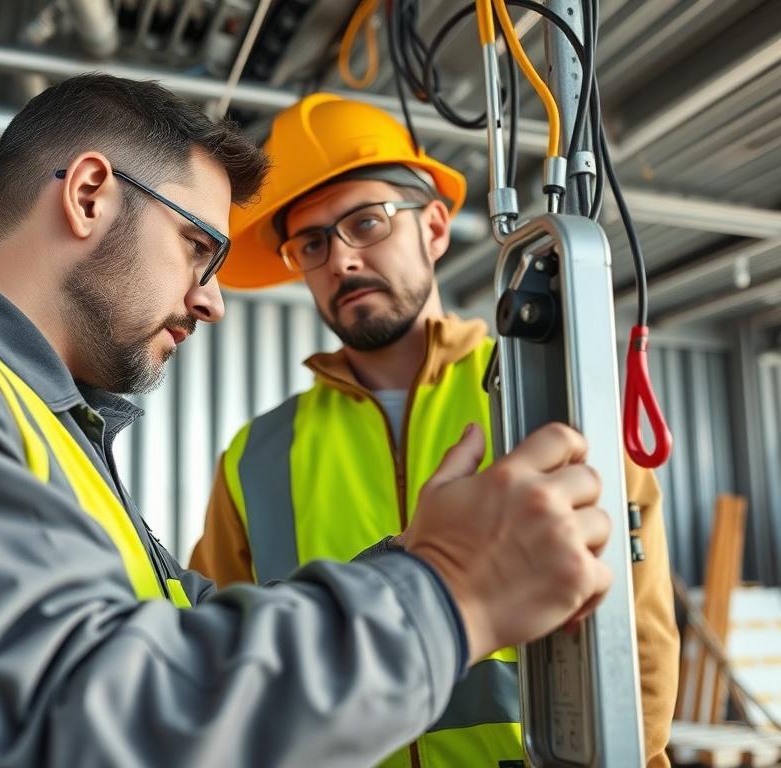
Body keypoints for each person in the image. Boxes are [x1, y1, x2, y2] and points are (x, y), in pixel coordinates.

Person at [0, 75, 613, 768]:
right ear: (90, 194)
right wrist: (449, 591)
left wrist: (420, 561)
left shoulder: (41, 423)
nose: (213, 303)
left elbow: (183, 640)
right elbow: (88, 724)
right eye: (200, 247)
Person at [191, 93, 680, 768]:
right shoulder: (257, 457)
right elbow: (218, 651)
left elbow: (639, 631)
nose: (341, 261)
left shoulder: (557, 391)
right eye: (311, 242)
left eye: (367, 222)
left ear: (436, 228)